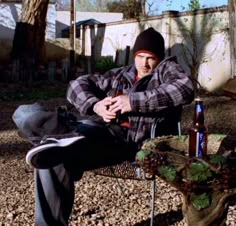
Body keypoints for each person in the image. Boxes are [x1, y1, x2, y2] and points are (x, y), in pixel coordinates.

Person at [13, 27, 194, 225]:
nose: (144, 63)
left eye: (150, 57)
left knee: (51, 150)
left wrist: (132, 101)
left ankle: (63, 136)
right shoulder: (121, 75)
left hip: (129, 143)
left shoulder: (165, 71)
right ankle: (62, 139)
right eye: (140, 56)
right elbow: (77, 84)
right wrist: (95, 105)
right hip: (99, 130)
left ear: (159, 58)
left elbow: (185, 88)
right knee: (27, 117)